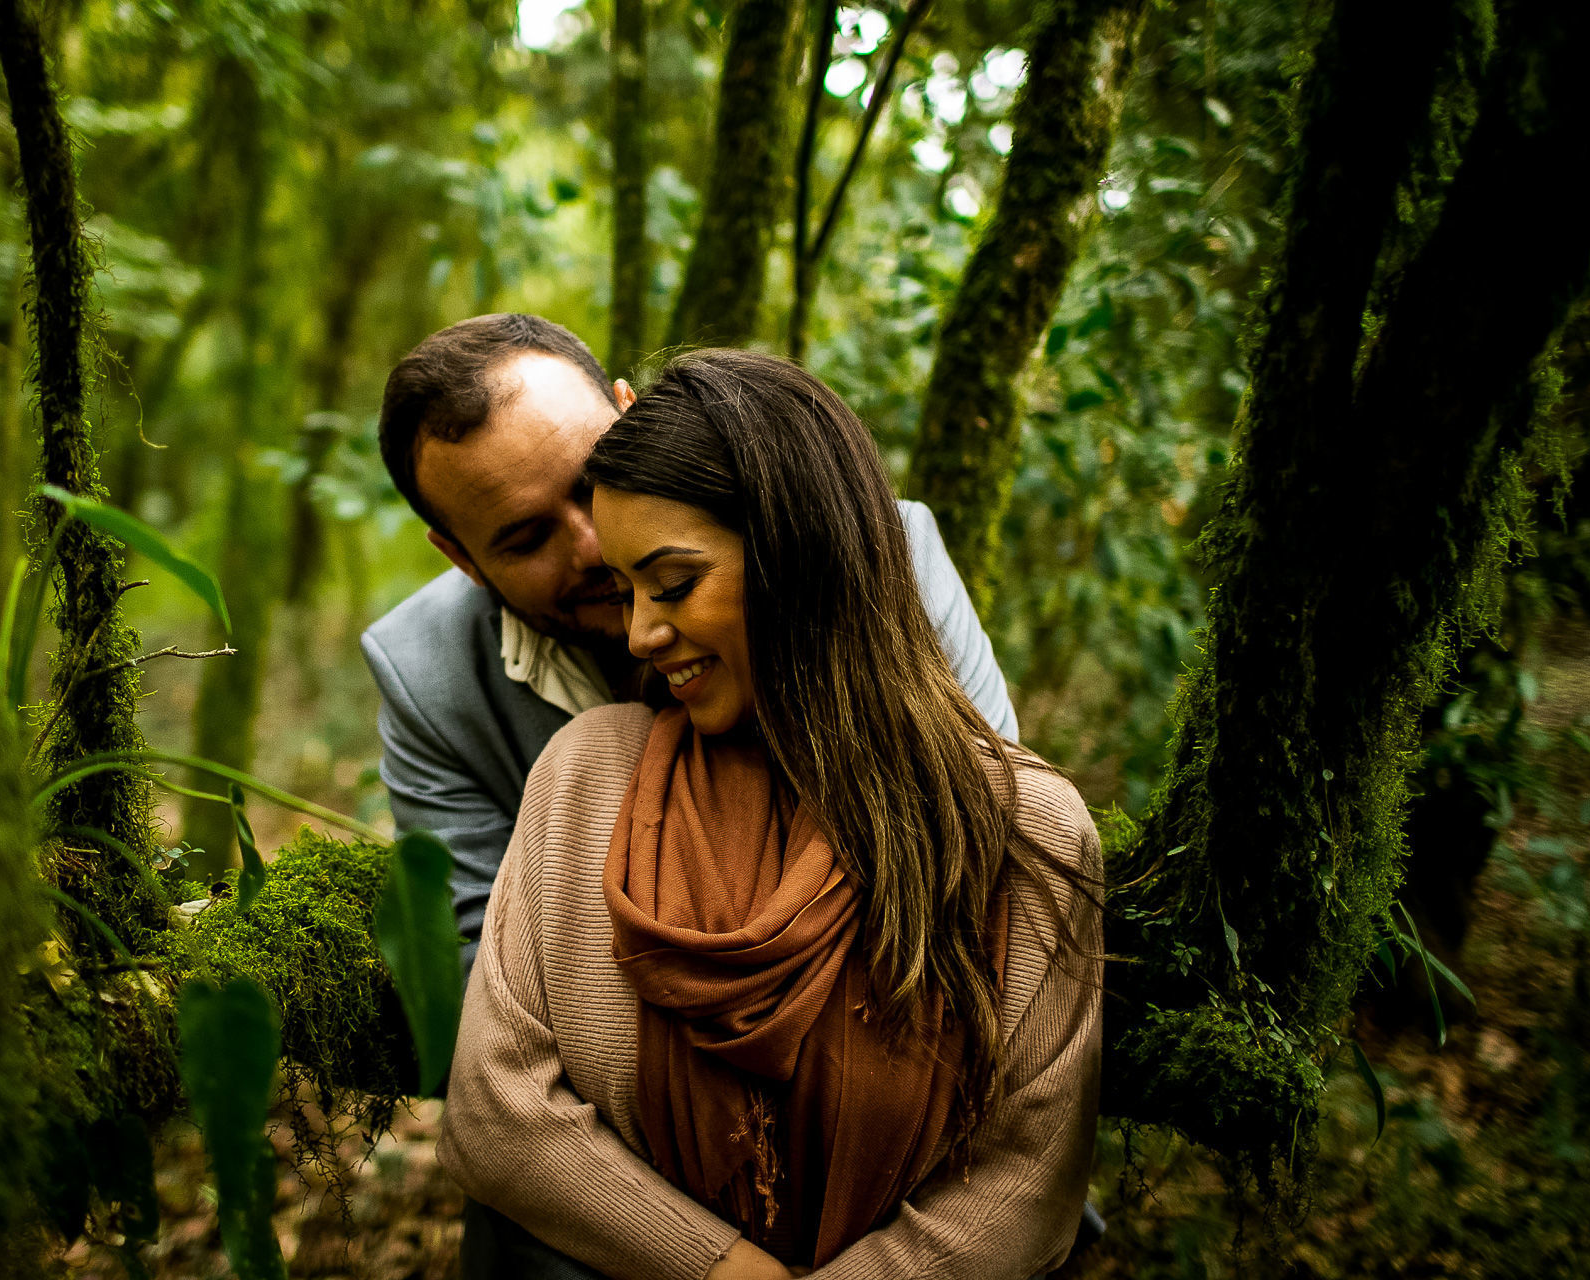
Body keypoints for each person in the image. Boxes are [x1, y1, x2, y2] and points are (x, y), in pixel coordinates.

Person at [436, 350, 1103, 1279]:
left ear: (800, 550)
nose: (636, 635)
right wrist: (717, 1268)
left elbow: (1030, 1180)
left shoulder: (1025, 825)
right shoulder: (584, 775)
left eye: (671, 585)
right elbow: (494, 1112)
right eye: (627, 593)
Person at [360, 314, 1017, 968]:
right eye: (527, 539)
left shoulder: (877, 556)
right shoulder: (427, 676)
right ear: (461, 559)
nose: (593, 546)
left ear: (631, 413)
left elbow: (992, 842)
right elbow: (478, 963)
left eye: (594, 481)